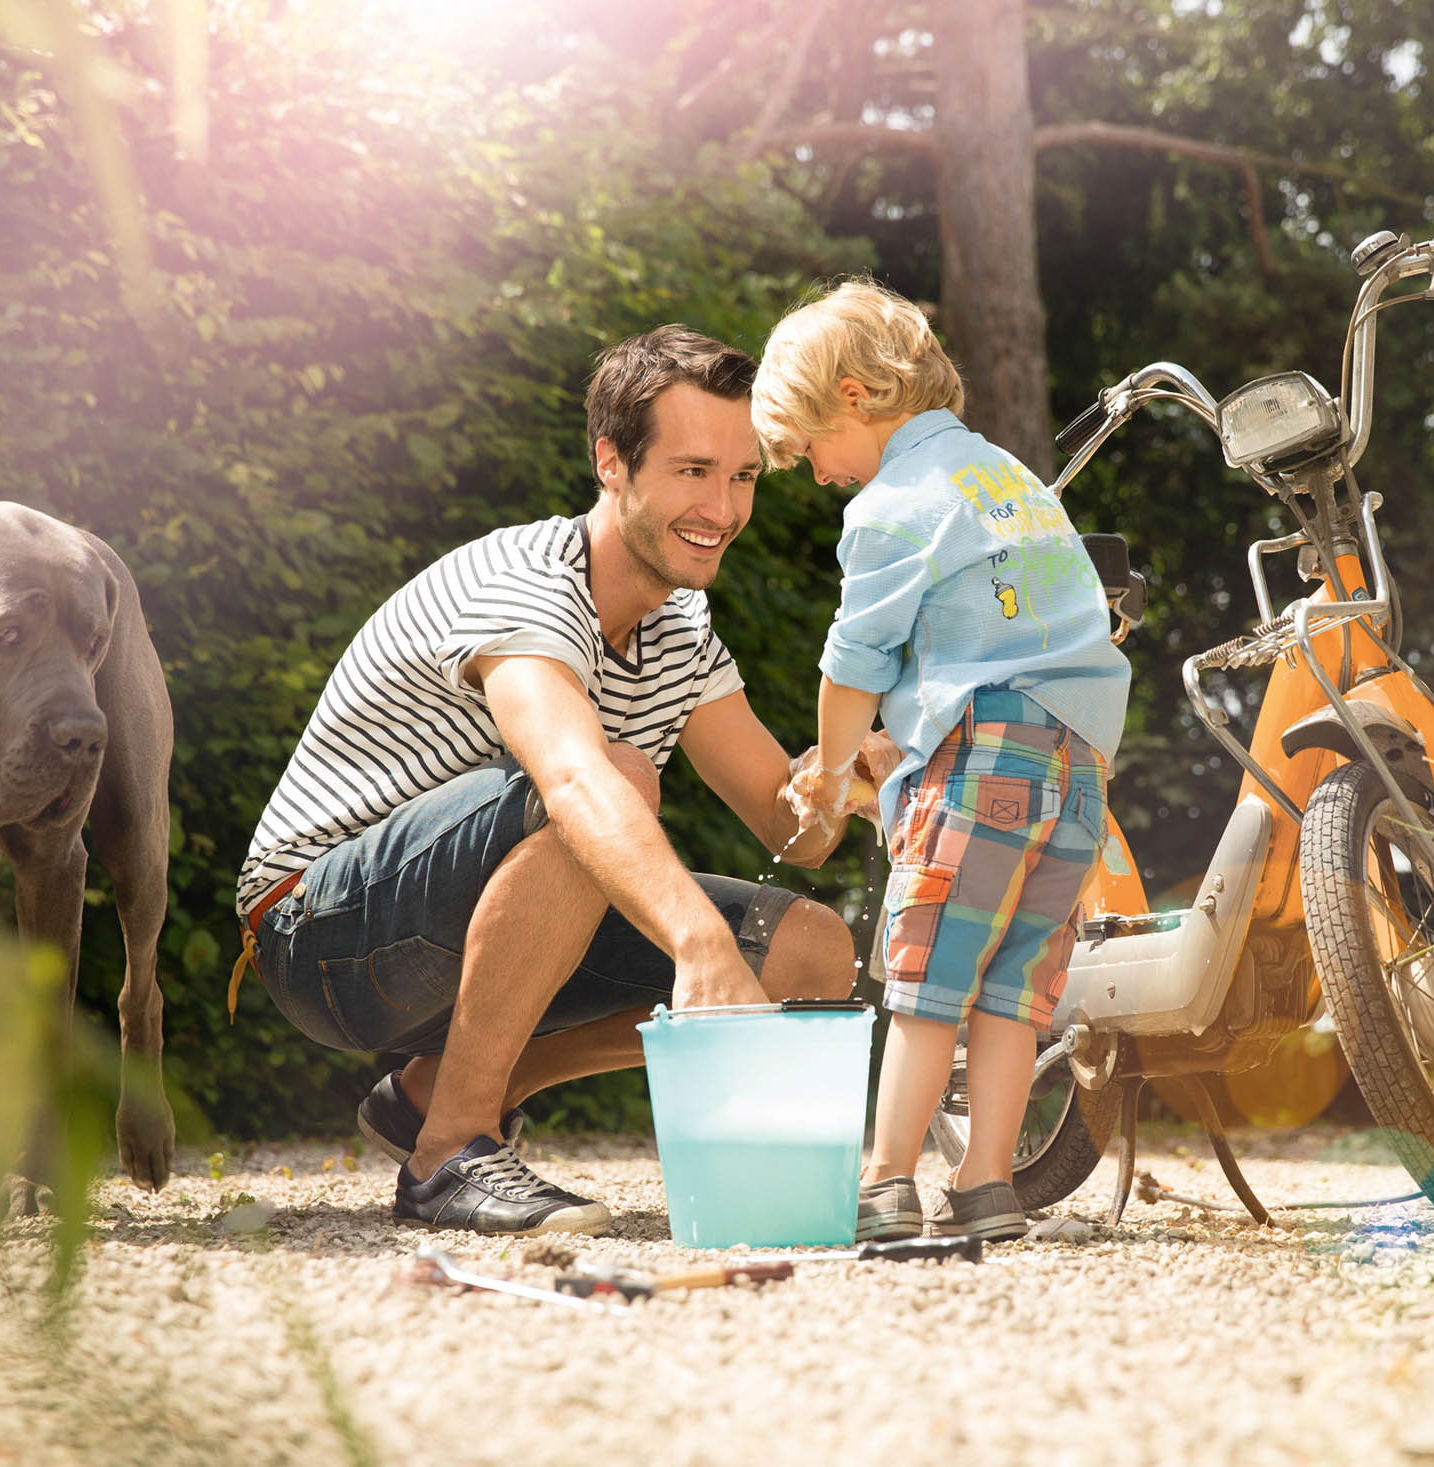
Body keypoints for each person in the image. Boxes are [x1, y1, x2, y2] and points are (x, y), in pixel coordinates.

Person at [235, 325, 890, 1236]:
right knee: (614, 782)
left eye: (743, 477)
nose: (724, 507)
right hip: (317, 929)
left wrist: (841, 773)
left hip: (492, 912)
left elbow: (794, 832)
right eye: (693, 470)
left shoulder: (681, 628)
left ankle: (445, 1090)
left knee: (811, 952)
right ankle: (448, 1155)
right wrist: (701, 945)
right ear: (612, 463)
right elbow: (577, 782)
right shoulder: (528, 586)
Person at [756, 281, 1130, 1242]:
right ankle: (986, 1184)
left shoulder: (893, 502)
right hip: (1080, 765)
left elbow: (856, 659)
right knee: (1014, 986)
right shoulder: (1007, 479)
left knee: (927, 979)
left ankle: (885, 1183)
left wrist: (837, 772)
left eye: (807, 447)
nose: (814, 473)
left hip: (987, 756)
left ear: (853, 395)